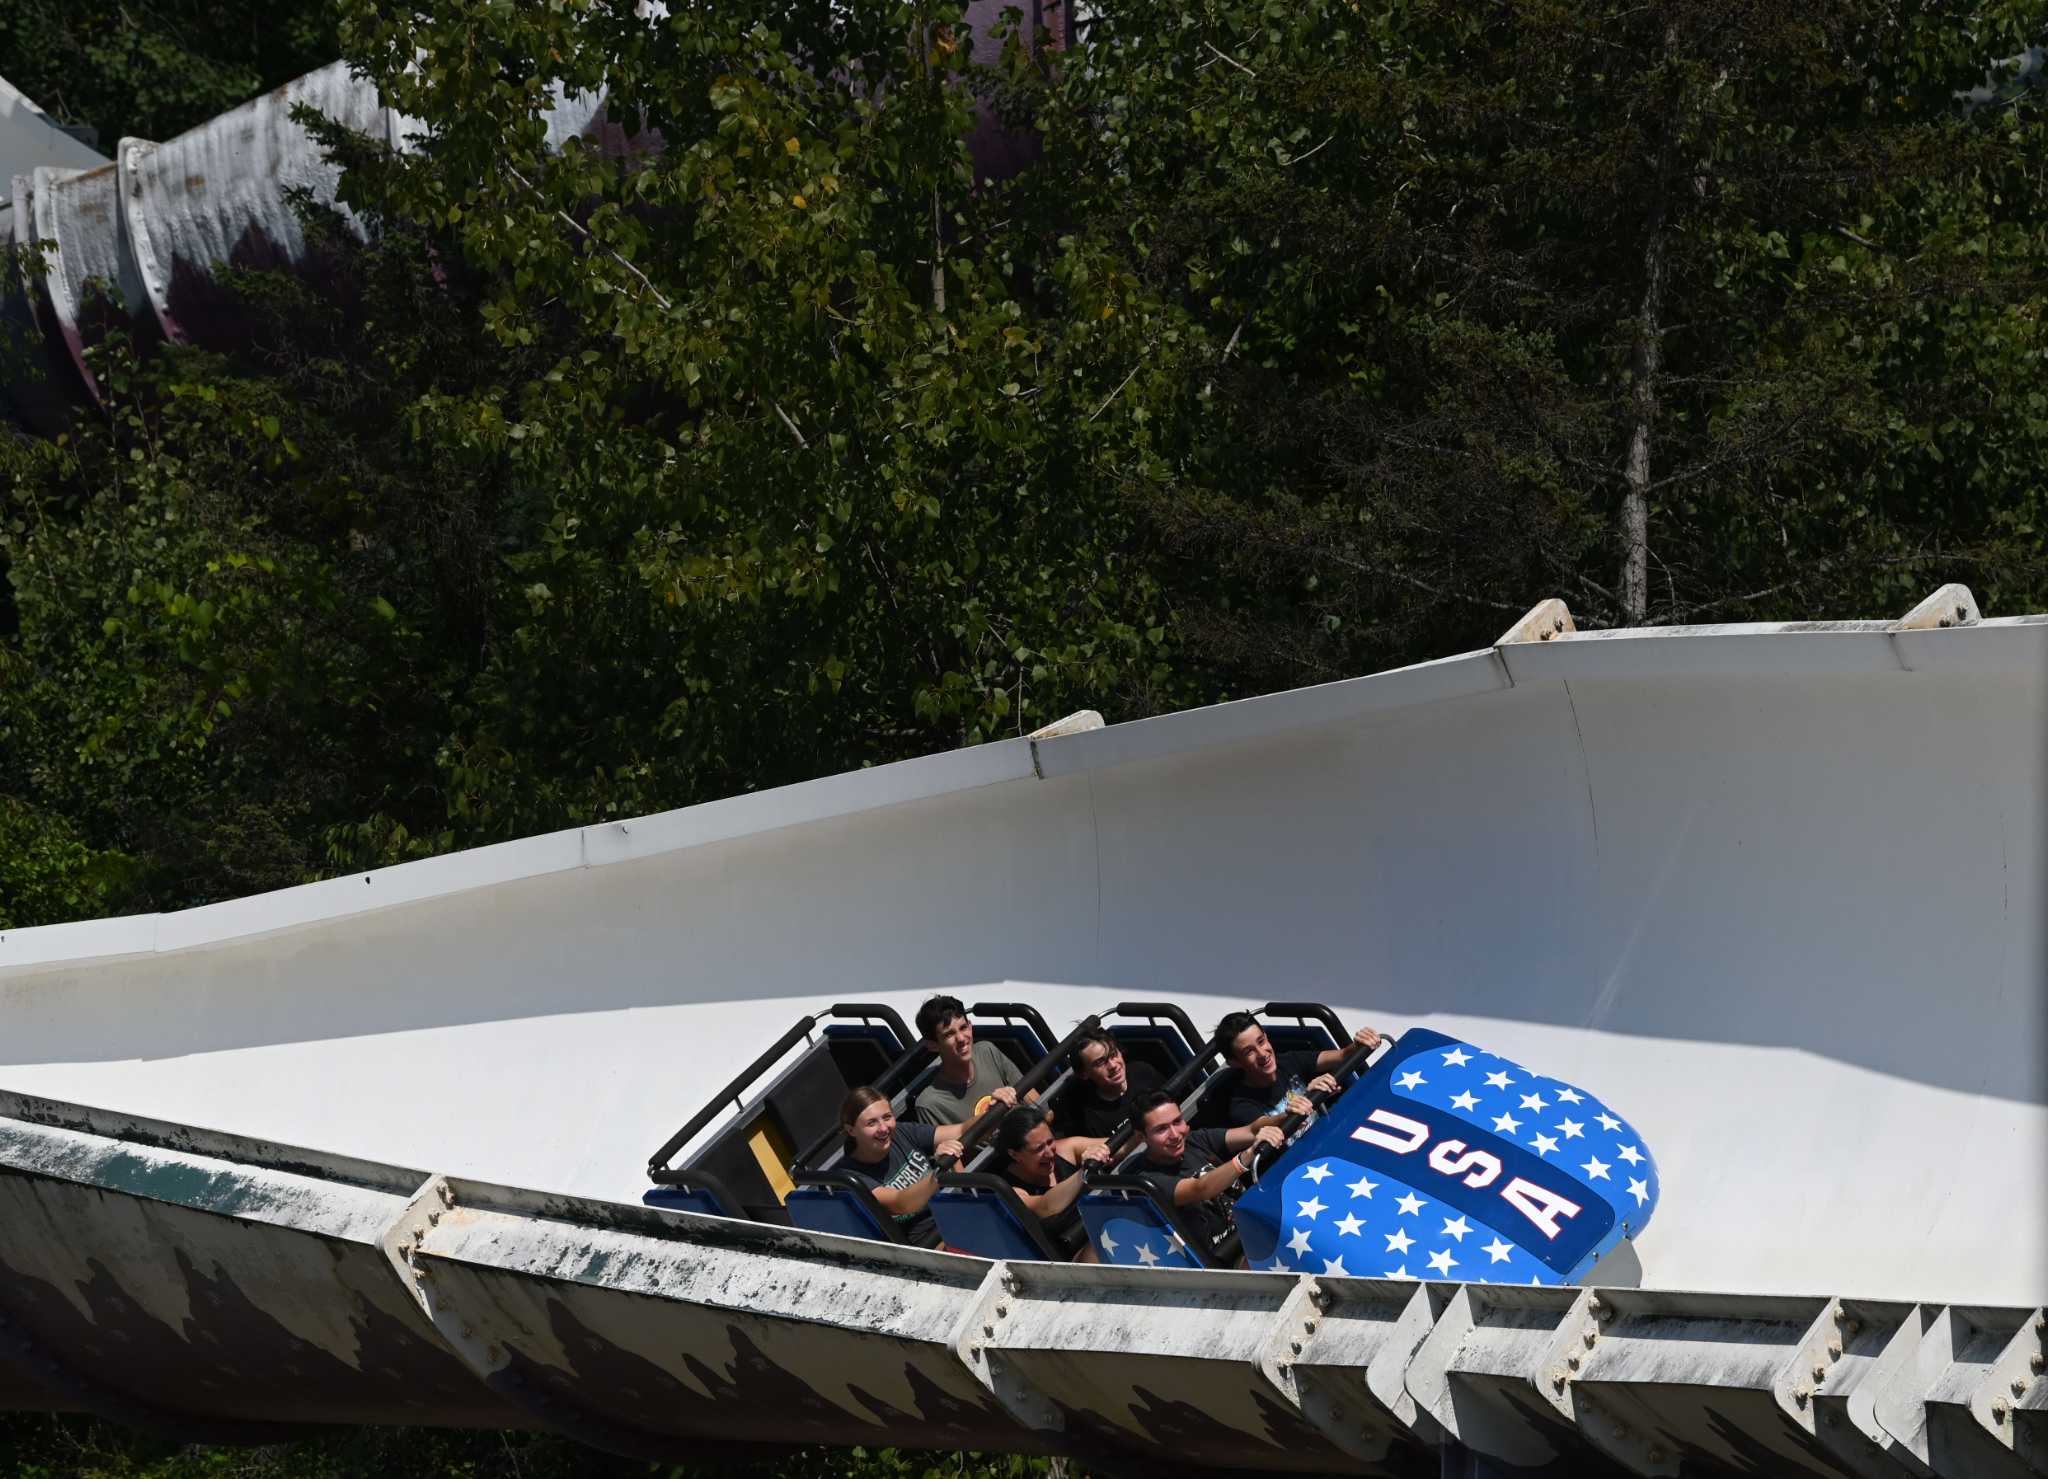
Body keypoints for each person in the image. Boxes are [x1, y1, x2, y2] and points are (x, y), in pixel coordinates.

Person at [1127, 1089, 1283, 1261]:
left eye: (1177, 1121)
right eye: (1161, 1129)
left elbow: (1252, 1131)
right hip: (1227, 1259)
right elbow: (1200, 1188)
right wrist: (1246, 1156)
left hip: (1258, 1228)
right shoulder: (1147, 1180)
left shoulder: (1195, 1140)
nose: (1175, 1134)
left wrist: (1286, 1115)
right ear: (1141, 1136)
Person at [835, 1085, 964, 1247]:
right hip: (927, 1242)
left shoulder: (902, 1133)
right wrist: (940, 1170)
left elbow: (961, 1130)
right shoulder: (849, 1176)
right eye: (871, 1123)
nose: (883, 1128)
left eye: (887, 1117)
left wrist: (996, 1105)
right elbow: (901, 1203)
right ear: (851, 1130)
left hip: (954, 1217)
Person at [1211, 1011, 1381, 1132]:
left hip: (1328, 1132)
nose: (1262, 1054)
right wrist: (1309, 1096)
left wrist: (1360, 1043)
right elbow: (1264, 1126)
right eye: (1249, 1052)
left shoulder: (1290, 1061)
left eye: (1261, 1041)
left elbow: (1343, 1055)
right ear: (1234, 1062)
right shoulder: (1241, 1104)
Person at [994, 1104, 1109, 1261]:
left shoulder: (1067, 1148)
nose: (1049, 1153)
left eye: (1050, 1142)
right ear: (1014, 1154)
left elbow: (1119, 1147)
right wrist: (1084, 1171)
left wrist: (1140, 1132)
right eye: (1038, 1149)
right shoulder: (1010, 1189)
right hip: (1076, 1255)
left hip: (1108, 1225)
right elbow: (1045, 1206)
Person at [912, 994, 1031, 1127]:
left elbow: (1044, 1111)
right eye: (949, 1034)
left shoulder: (988, 1051)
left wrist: (1012, 1101)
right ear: (932, 1045)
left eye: (963, 1028)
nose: (961, 1039)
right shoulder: (930, 1104)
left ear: (970, 1026)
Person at [1063, 1027, 1166, 1141]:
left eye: (1113, 1054)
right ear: (1084, 1074)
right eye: (1100, 1062)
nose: (1113, 1065)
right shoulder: (1090, 1117)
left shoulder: (1143, 1072)